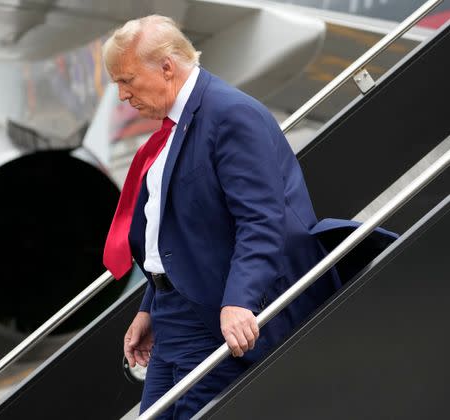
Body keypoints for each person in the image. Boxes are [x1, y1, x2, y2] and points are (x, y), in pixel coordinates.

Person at [101, 15, 342, 418]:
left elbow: (262, 220)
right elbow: (179, 232)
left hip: (213, 315)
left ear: (166, 66)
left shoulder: (230, 114)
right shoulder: (178, 125)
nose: (123, 95)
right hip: (173, 313)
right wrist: (149, 304)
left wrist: (239, 302)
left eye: (127, 80)